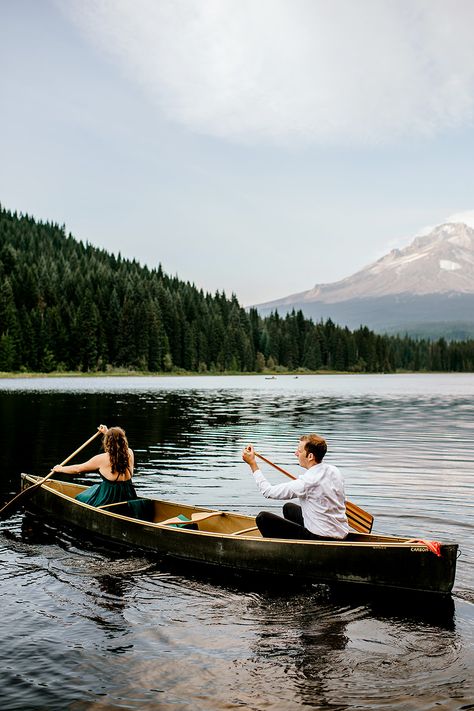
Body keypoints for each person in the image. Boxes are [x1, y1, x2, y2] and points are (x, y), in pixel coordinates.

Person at [242, 434, 349, 540]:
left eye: (299, 451)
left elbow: (267, 492)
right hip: (341, 533)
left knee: (262, 518)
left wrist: (252, 464)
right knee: (288, 508)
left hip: (321, 538)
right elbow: (343, 501)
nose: (296, 453)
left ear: (310, 456)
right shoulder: (334, 471)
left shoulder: (306, 482)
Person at [53, 424, 137, 507]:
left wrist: (60, 469)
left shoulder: (101, 459)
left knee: (80, 497)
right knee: (95, 488)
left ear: (107, 441)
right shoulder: (129, 453)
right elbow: (118, 445)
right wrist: (106, 432)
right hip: (128, 495)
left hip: (109, 499)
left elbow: (77, 469)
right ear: (123, 440)